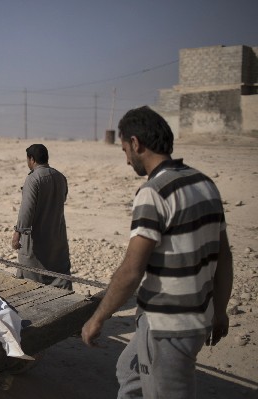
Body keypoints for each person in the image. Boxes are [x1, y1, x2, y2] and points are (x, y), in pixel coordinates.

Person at [81, 106, 233, 398]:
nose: (127, 160)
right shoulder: (204, 183)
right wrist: (221, 309)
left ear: (136, 144)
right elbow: (224, 256)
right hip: (187, 315)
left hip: (171, 325)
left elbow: (131, 270)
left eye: (125, 149)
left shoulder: (154, 193)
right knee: (130, 370)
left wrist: (98, 318)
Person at [12, 144, 72, 289]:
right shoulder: (60, 176)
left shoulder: (33, 179)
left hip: (37, 237)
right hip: (57, 235)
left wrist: (17, 233)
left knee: (31, 273)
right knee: (58, 272)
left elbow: (27, 209)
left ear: (32, 159)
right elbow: (61, 200)